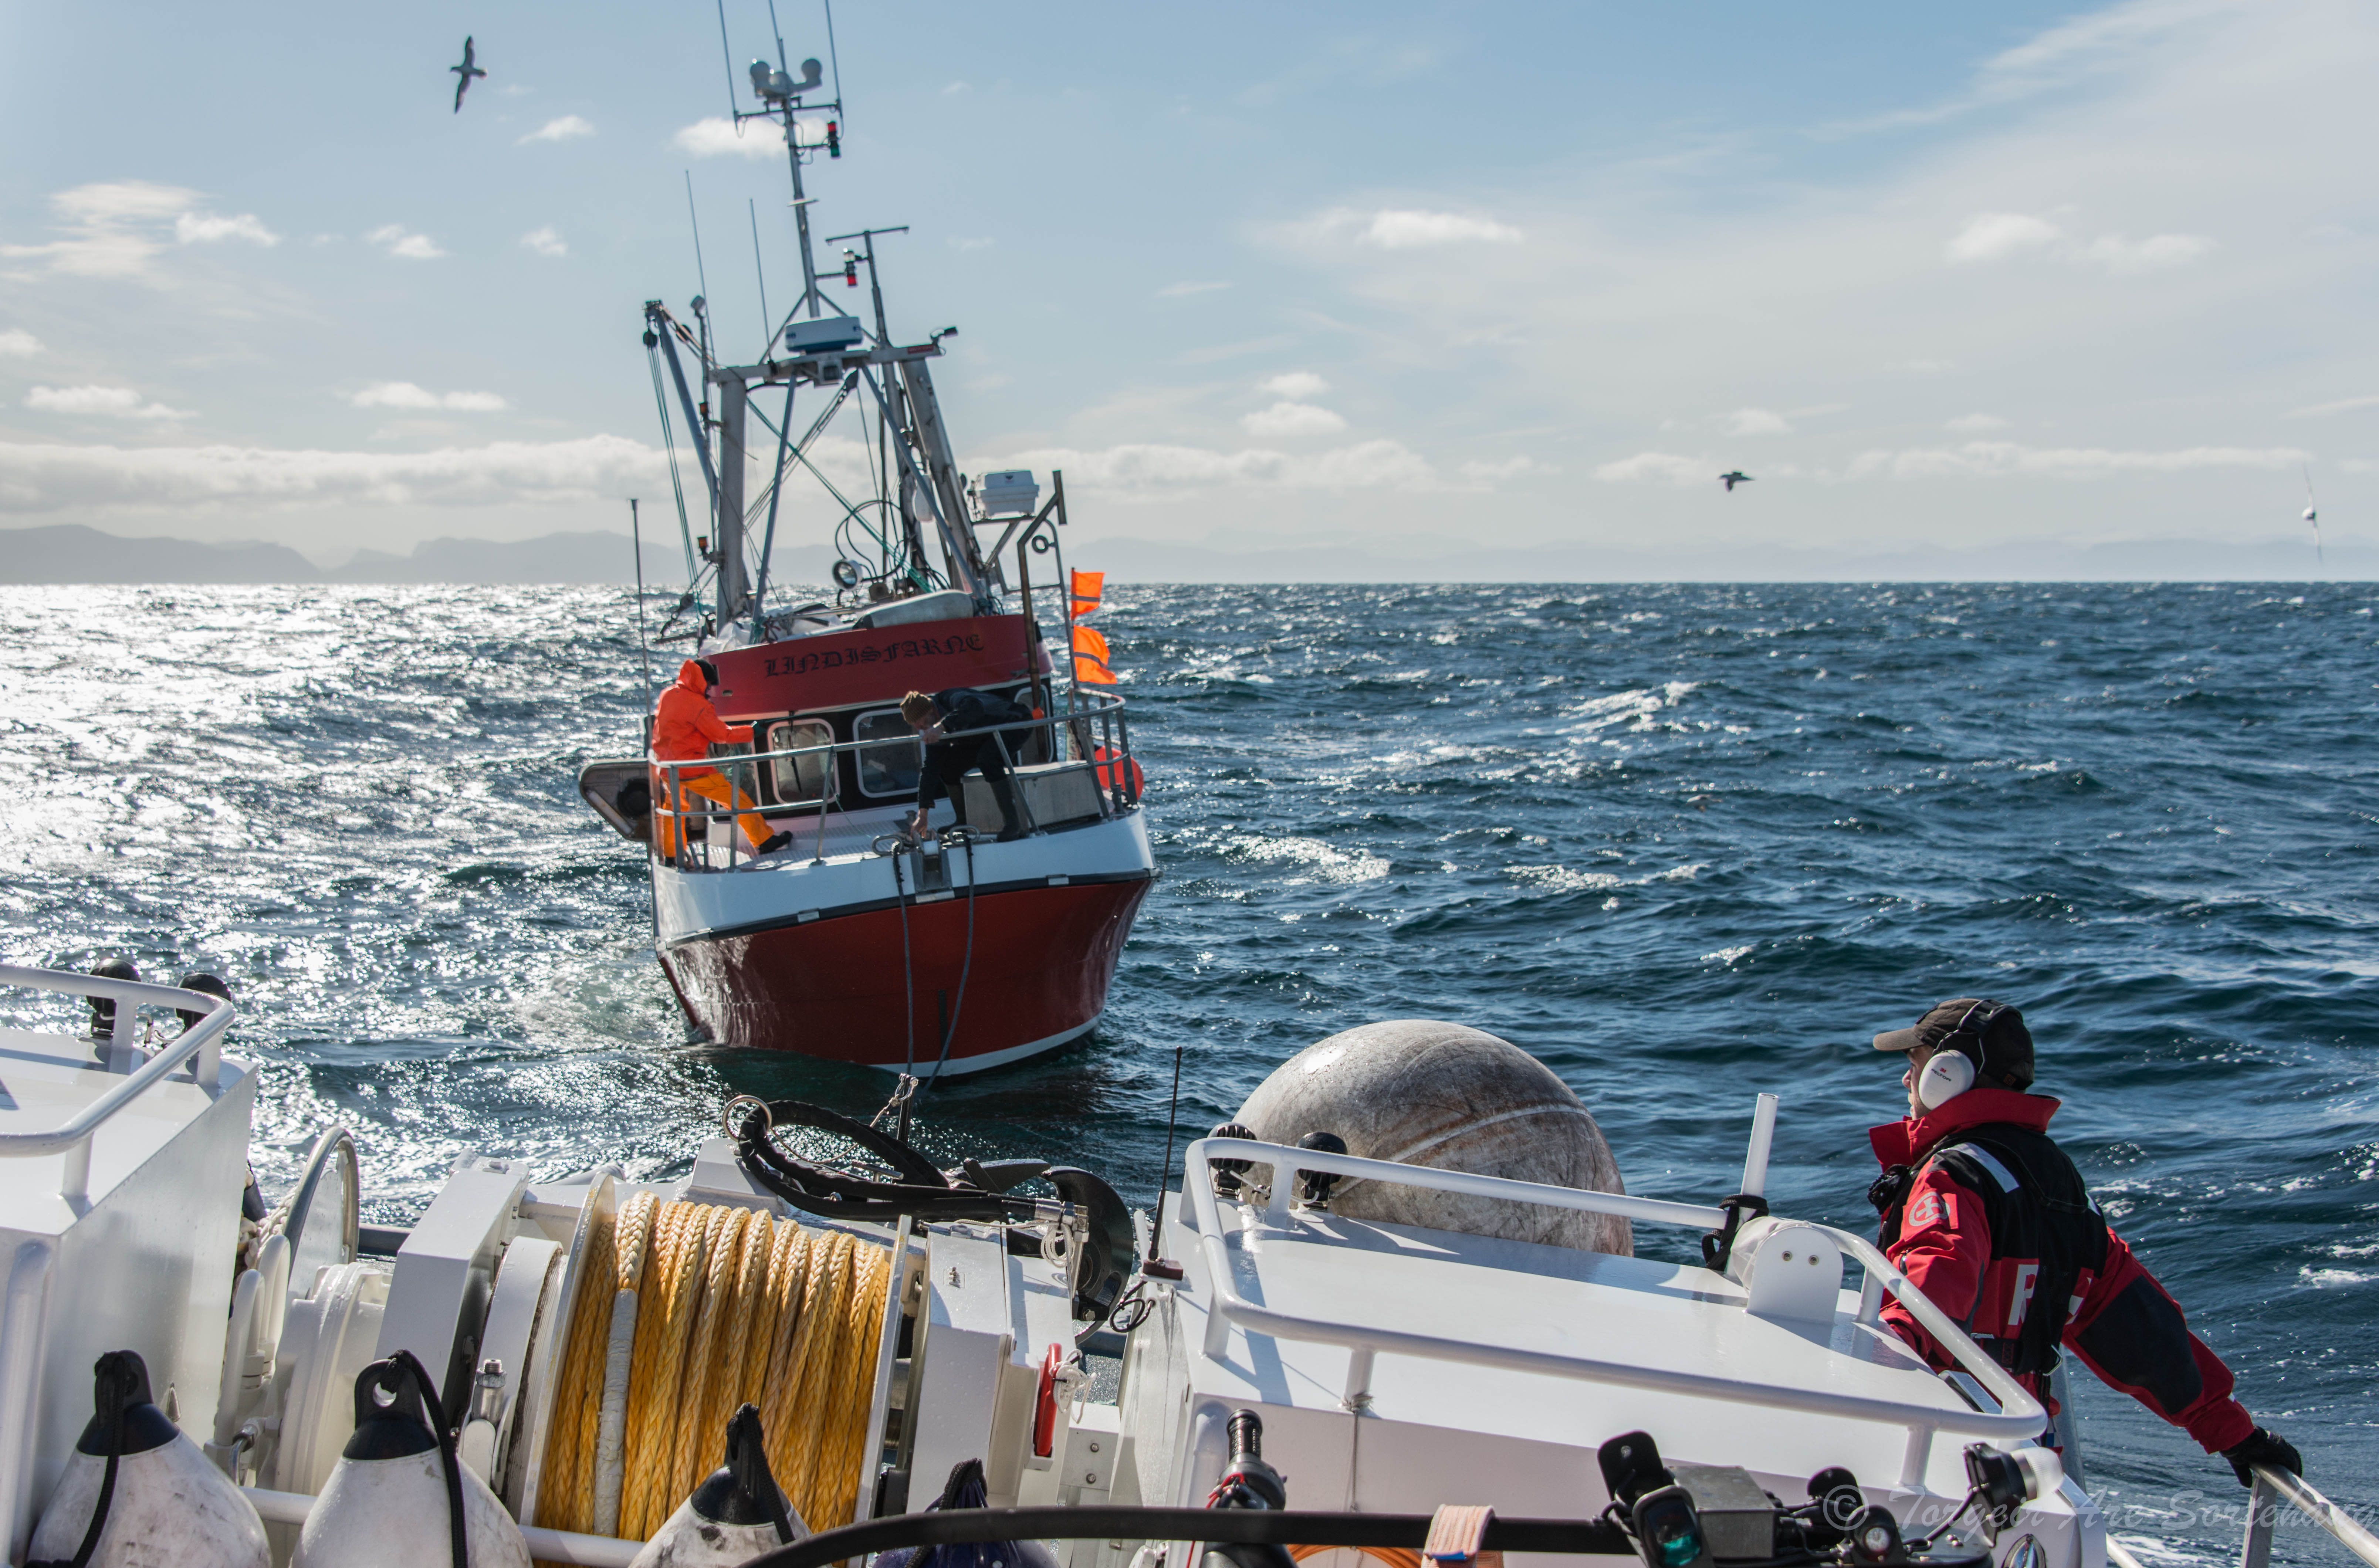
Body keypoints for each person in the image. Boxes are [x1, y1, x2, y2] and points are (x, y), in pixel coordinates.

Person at [1866, 997, 2301, 1488]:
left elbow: (1929, 1288)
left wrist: (1873, 1366)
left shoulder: (1952, 1175)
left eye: (1914, 1064)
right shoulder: (2057, 1180)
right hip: (2025, 1450)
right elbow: (2140, 1328)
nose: (1906, 1080)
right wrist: (2232, 1432)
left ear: (1948, 1073)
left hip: (1943, 1442)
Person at [650, 658, 793, 860]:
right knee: (737, 799)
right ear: (702, 681)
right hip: (692, 768)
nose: (709, 690)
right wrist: (752, 731)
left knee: (674, 809)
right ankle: (764, 840)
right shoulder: (699, 705)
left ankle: (673, 855)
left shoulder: (668, 695)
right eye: (709, 685)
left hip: (667, 766)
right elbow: (721, 735)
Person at [901, 688, 1031, 843]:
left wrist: (942, 727)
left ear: (929, 710)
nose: (918, 727)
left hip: (1014, 721)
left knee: (989, 759)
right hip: (981, 734)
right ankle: (963, 821)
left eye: (918, 720)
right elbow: (930, 769)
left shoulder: (950, 698)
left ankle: (1013, 824)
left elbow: (974, 708)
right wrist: (923, 814)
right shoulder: (933, 727)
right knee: (948, 768)